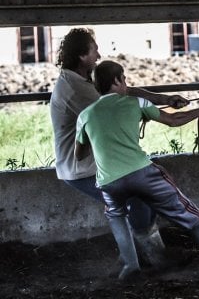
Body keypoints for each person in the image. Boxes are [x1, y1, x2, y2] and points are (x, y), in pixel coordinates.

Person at [75, 60, 199, 280]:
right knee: (188, 211)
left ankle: (130, 267)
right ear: (118, 80)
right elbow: (173, 120)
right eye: (125, 79)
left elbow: (79, 155)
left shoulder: (85, 115)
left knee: (116, 216)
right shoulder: (135, 102)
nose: (126, 84)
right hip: (141, 173)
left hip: (109, 181)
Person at [50, 28, 188, 266]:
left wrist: (163, 99)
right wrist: (149, 110)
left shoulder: (84, 80)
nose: (98, 54)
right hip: (82, 166)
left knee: (141, 194)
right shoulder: (76, 89)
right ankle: (152, 257)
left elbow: (124, 91)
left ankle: (138, 256)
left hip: (100, 161)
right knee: (139, 197)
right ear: (82, 56)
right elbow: (116, 108)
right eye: (94, 50)